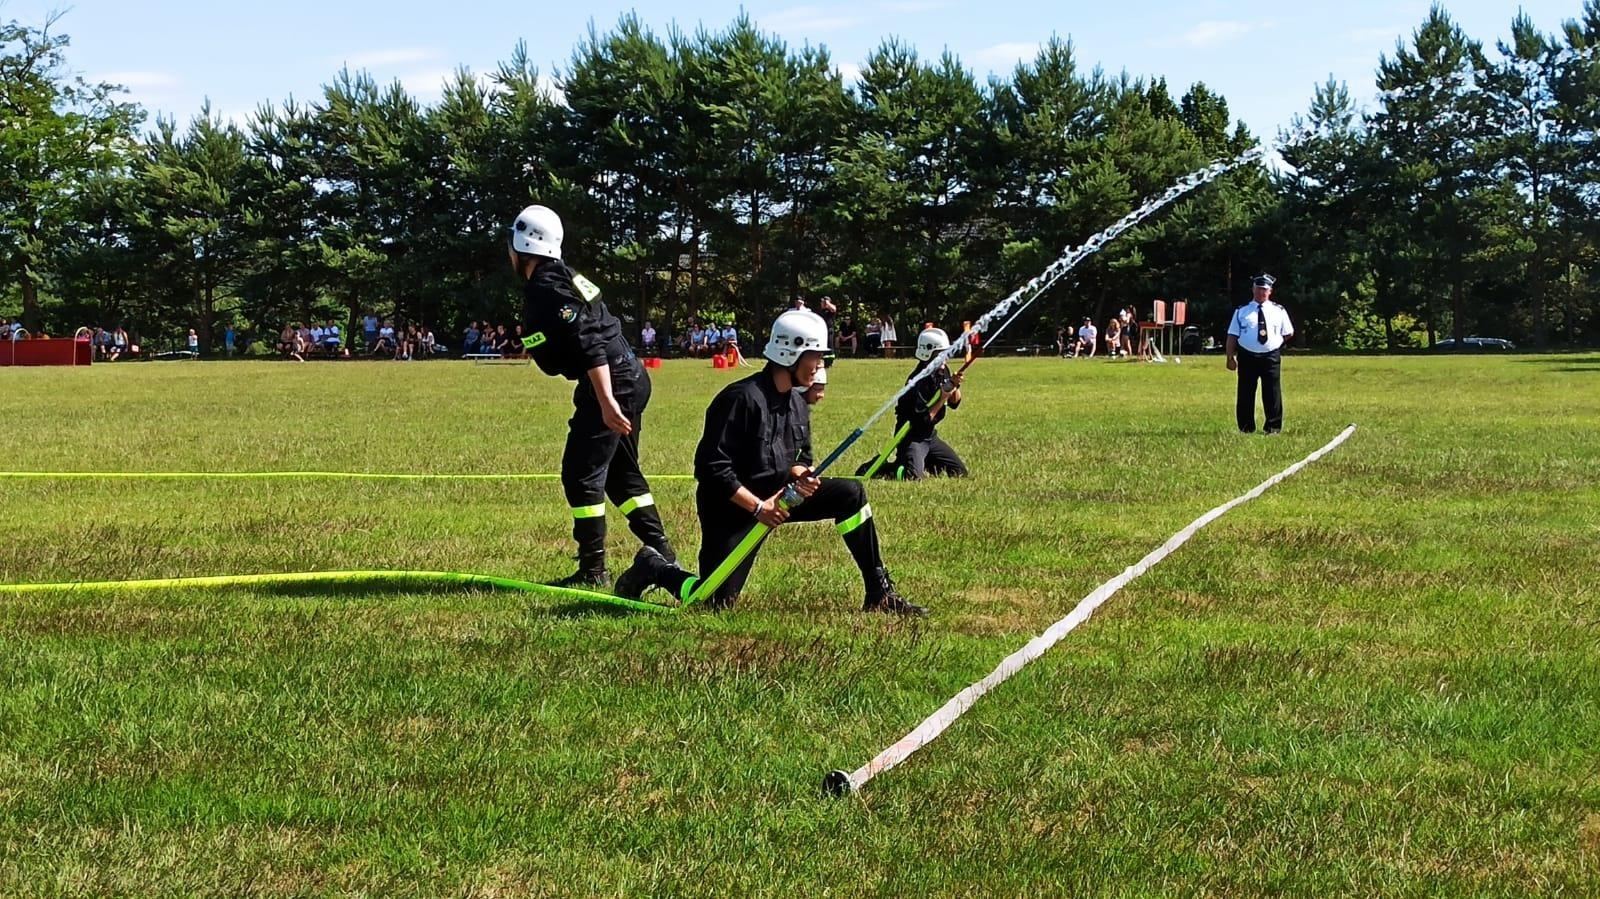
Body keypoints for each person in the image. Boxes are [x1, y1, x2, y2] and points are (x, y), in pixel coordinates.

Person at [613, 309, 923, 615]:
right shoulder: (740, 399)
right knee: (713, 602)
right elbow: (711, 469)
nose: (819, 365)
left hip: (779, 498)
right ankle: (653, 567)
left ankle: (878, 592)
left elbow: (801, 457)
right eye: (815, 356)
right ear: (791, 353)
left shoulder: (797, 403)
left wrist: (802, 474)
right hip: (733, 509)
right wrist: (759, 509)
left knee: (851, 495)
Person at [509, 203, 676, 587]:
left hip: (611, 381)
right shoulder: (567, 276)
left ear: (521, 245)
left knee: (581, 474)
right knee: (619, 474)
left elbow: (589, 343)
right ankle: (662, 553)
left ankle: (592, 571)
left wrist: (605, 400)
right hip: (629, 375)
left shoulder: (547, 287)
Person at [886, 327, 968, 479]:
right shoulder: (918, 381)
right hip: (912, 437)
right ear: (928, 354)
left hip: (930, 436)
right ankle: (888, 469)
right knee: (914, 477)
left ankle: (927, 462)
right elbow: (922, 420)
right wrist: (943, 397)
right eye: (941, 354)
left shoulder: (943, 370)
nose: (945, 358)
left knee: (959, 473)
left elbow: (954, 404)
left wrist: (955, 385)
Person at [1227, 273, 1295, 434]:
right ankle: (1246, 427)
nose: (1261, 292)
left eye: (1264, 289)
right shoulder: (1242, 311)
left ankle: (1273, 427)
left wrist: (1275, 344)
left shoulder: (1278, 311)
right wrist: (1230, 357)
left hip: (1270, 356)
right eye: (1258, 289)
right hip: (1247, 356)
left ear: (1270, 291)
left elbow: (1288, 332)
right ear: (1253, 289)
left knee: (1272, 392)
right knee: (1245, 392)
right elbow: (1232, 335)